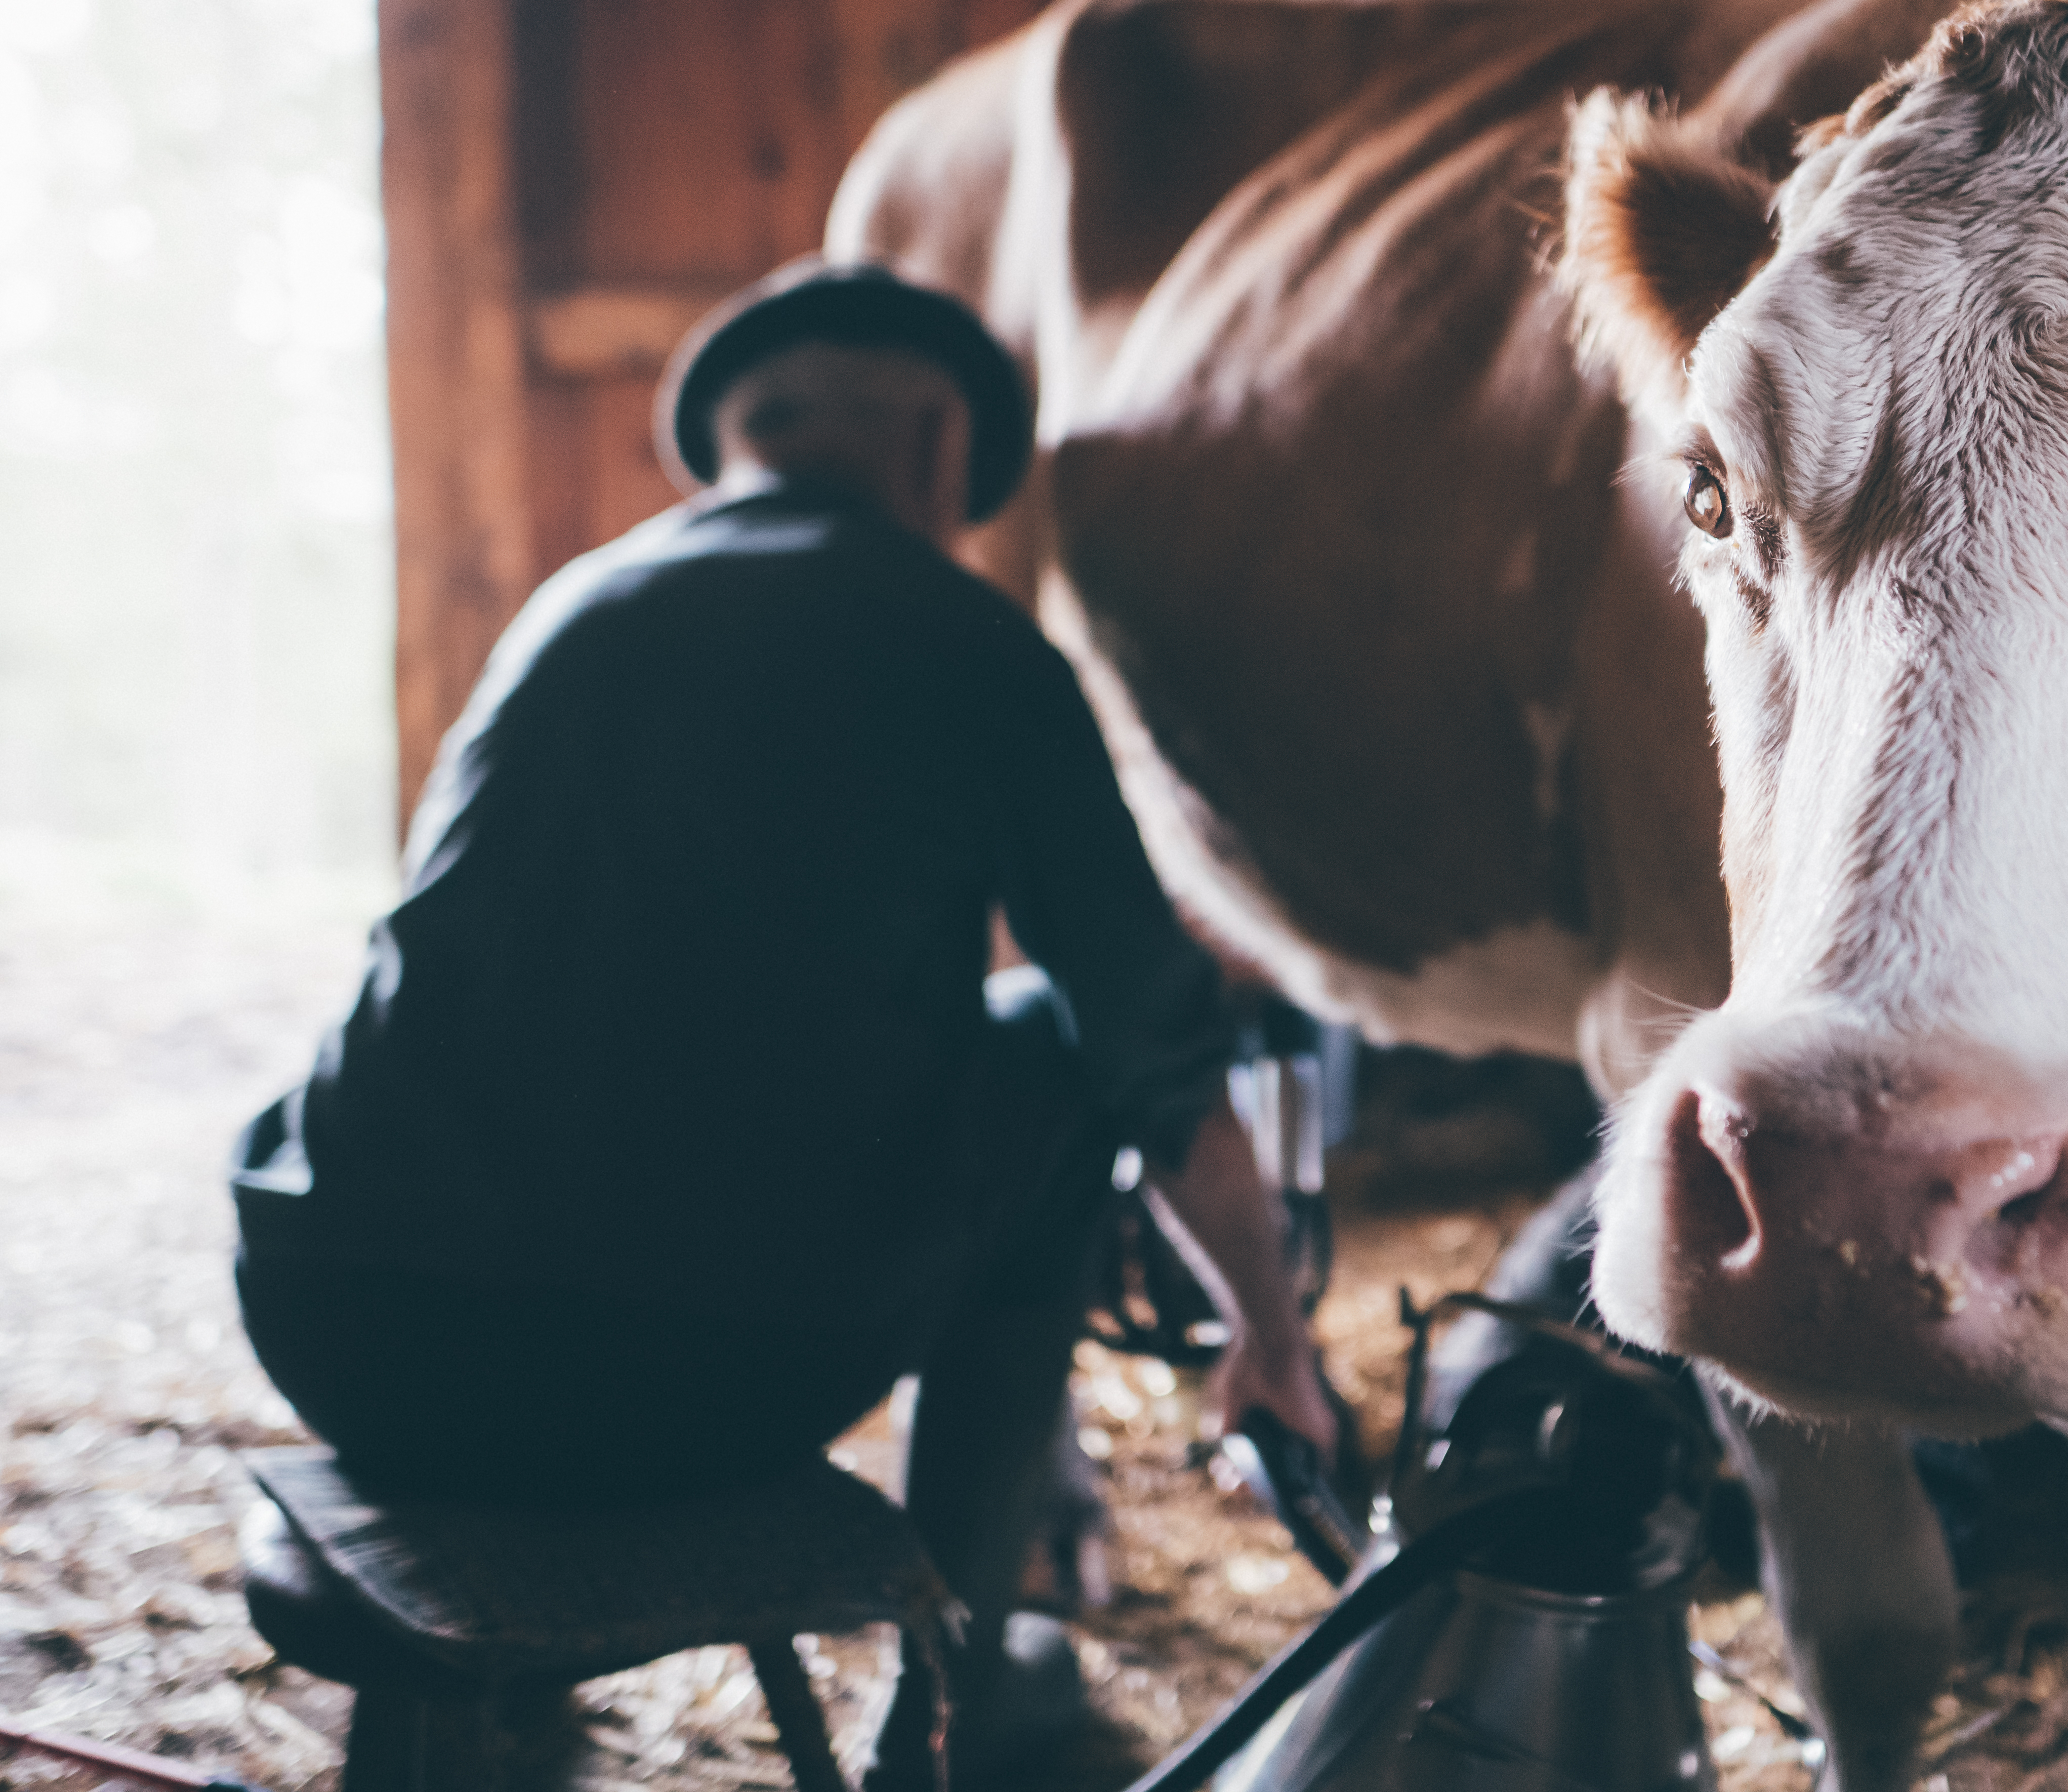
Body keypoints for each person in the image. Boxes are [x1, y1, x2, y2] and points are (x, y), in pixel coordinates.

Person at [229, 258, 1335, 1780]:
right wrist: (1272, 1335)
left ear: (738, 440)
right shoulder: (976, 647)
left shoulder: (571, 609)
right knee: (1056, 1054)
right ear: (943, 446)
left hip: (349, 1331)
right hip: (705, 1384)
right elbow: (1154, 1051)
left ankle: (490, 1674)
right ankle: (942, 1695)